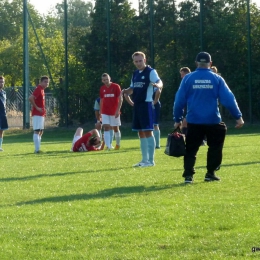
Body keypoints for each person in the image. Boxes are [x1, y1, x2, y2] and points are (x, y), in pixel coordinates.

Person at [173, 52, 244, 183]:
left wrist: (177, 119)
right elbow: (228, 99)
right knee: (215, 147)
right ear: (210, 64)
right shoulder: (216, 78)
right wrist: (238, 116)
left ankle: (188, 175)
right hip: (213, 120)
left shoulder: (188, 78)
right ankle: (210, 173)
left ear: (196, 64)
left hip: (193, 121)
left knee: (191, 149)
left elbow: (179, 101)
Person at [121, 51, 163, 167]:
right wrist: (125, 91)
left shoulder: (151, 72)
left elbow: (159, 82)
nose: (138, 63)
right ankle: (144, 160)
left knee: (148, 131)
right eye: (136, 61)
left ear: (144, 60)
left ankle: (151, 161)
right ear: (133, 62)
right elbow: (132, 88)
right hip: (137, 105)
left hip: (146, 104)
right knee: (140, 133)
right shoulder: (135, 73)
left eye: (140, 61)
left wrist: (158, 86)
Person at [99, 73, 122, 150]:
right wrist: (100, 111)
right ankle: (108, 146)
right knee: (106, 127)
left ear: (110, 78)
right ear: (102, 80)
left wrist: (117, 110)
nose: (106, 81)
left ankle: (118, 144)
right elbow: (102, 100)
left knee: (116, 128)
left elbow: (120, 99)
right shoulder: (102, 88)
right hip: (105, 111)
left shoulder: (116, 86)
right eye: (104, 80)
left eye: (107, 79)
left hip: (114, 111)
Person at [28, 76, 49, 153]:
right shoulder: (38, 89)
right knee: (37, 131)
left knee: (41, 131)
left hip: (41, 114)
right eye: (45, 82)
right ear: (41, 82)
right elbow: (30, 98)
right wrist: (37, 108)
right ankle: (37, 150)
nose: (47, 83)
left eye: (47, 82)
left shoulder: (42, 90)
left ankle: (38, 148)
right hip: (37, 114)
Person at [179, 67, 191, 137]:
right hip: (186, 105)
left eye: (182, 74)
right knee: (185, 122)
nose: (181, 76)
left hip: (191, 105)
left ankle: (184, 138)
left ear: (187, 74)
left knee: (185, 122)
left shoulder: (190, 82)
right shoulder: (184, 83)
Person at [0, 76, 8, 151]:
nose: (1, 83)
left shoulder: (4, 93)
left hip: (2, 114)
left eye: (2, 82)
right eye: (0, 82)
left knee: (1, 130)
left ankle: (0, 146)